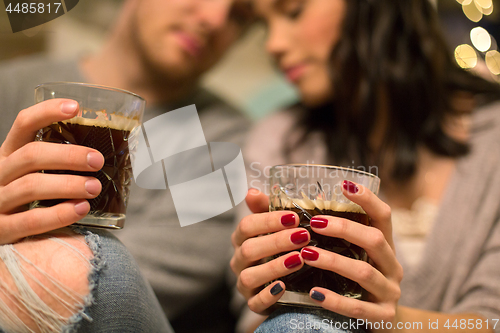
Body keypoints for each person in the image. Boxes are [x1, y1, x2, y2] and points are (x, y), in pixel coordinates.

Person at [231, 0, 500, 332]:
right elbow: (258, 324)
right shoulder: (281, 138)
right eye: (263, 26)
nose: (274, 44)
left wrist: (390, 320)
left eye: (293, 11)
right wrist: (262, 288)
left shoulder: (493, 139)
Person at [0, 0, 254, 332]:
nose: (215, 19)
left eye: (241, 14)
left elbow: (98, 287)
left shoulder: (227, 145)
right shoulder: (10, 86)